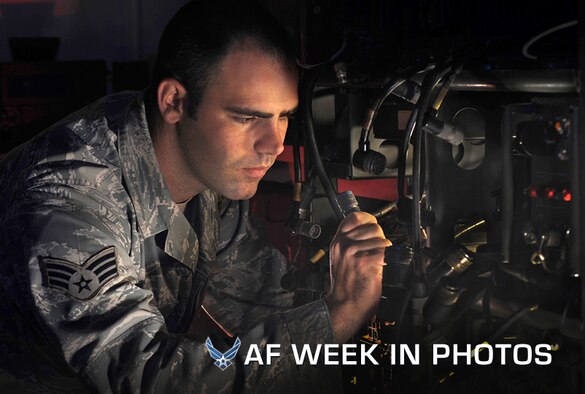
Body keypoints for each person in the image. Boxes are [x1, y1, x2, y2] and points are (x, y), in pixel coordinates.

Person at [0, 0, 390, 392]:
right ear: (174, 102)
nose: (272, 144)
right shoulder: (68, 204)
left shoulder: (209, 168)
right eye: (247, 117)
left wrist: (342, 293)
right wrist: (336, 319)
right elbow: (150, 379)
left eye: (283, 116)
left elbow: (259, 302)